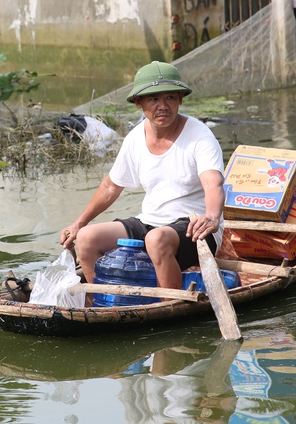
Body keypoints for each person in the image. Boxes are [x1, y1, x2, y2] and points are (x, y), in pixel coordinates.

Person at [59, 61, 225, 290]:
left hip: (195, 227)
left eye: (170, 98)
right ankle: (100, 301)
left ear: (180, 99)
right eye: (154, 99)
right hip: (150, 221)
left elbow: (213, 183)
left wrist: (213, 218)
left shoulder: (200, 136)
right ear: (139, 102)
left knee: (156, 239)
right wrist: (78, 224)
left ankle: (169, 305)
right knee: (87, 238)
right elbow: (110, 186)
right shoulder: (135, 138)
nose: (163, 106)